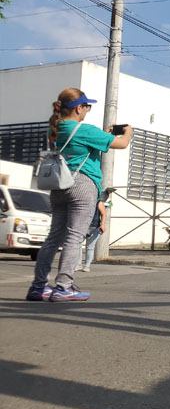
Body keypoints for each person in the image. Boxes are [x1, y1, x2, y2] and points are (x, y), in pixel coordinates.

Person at [27, 89, 133, 302]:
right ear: (78, 108)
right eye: (87, 106)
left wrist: (103, 134)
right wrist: (128, 131)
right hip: (82, 185)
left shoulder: (54, 129)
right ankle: (63, 287)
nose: (87, 110)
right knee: (74, 236)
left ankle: (38, 287)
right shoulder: (85, 130)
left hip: (59, 185)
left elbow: (78, 146)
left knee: (53, 237)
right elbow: (122, 144)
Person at [75, 191, 109, 273]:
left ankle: (87, 265)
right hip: (82, 226)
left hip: (94, 227)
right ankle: (78, 264)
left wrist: (102, 224)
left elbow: (103, 214)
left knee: (90, 246)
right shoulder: (82, 201)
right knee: (78, 244)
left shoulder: (98, 202)